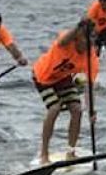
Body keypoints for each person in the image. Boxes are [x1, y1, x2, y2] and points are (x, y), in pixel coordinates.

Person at [32, 19, 99, 165]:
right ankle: (44, 153)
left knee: (77, 110)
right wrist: (79, 26)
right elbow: (64, 39)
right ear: (77, 37)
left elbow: (89, 86)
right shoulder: (67, 41)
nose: (90, 42)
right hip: (43, 76)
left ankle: (71, 151)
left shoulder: (91, 58)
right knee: (54, 108)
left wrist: (91, 110)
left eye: (93, 38)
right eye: (86, 38)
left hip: (63, 79)